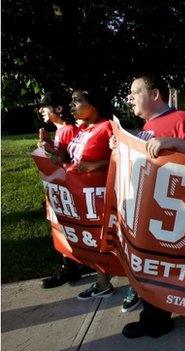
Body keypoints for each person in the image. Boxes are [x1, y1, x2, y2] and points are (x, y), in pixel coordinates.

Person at [119, 73, 185, 340]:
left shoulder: (182, 120)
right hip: (156, 211)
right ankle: (154, 319)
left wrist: (174, 143)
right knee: (156, 267)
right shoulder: (146, 126)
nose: (130, 98)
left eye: (135, 92)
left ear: (154, 94)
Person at [61, 88, 116, 297]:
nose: (71, 105)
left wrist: (96, 165)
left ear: (93, 105)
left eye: (77, 101)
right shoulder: (83, 129)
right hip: (84, 197)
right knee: (94, 241)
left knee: (106, 240)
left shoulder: (107, 126)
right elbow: (76, 160)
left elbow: (123, 155)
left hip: (101, 196)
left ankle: (134, 288)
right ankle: (102, 284)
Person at [36, 91, 88, 288]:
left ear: (58, 108)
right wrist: (47, 144)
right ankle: (73, 264)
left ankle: (70, 267)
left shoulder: (67, 130)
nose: (41, 110)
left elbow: (67, 158)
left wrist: (46, 148)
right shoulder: (61, 131)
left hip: (69, 187)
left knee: (66, 226)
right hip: (62, 185)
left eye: (45, 106)